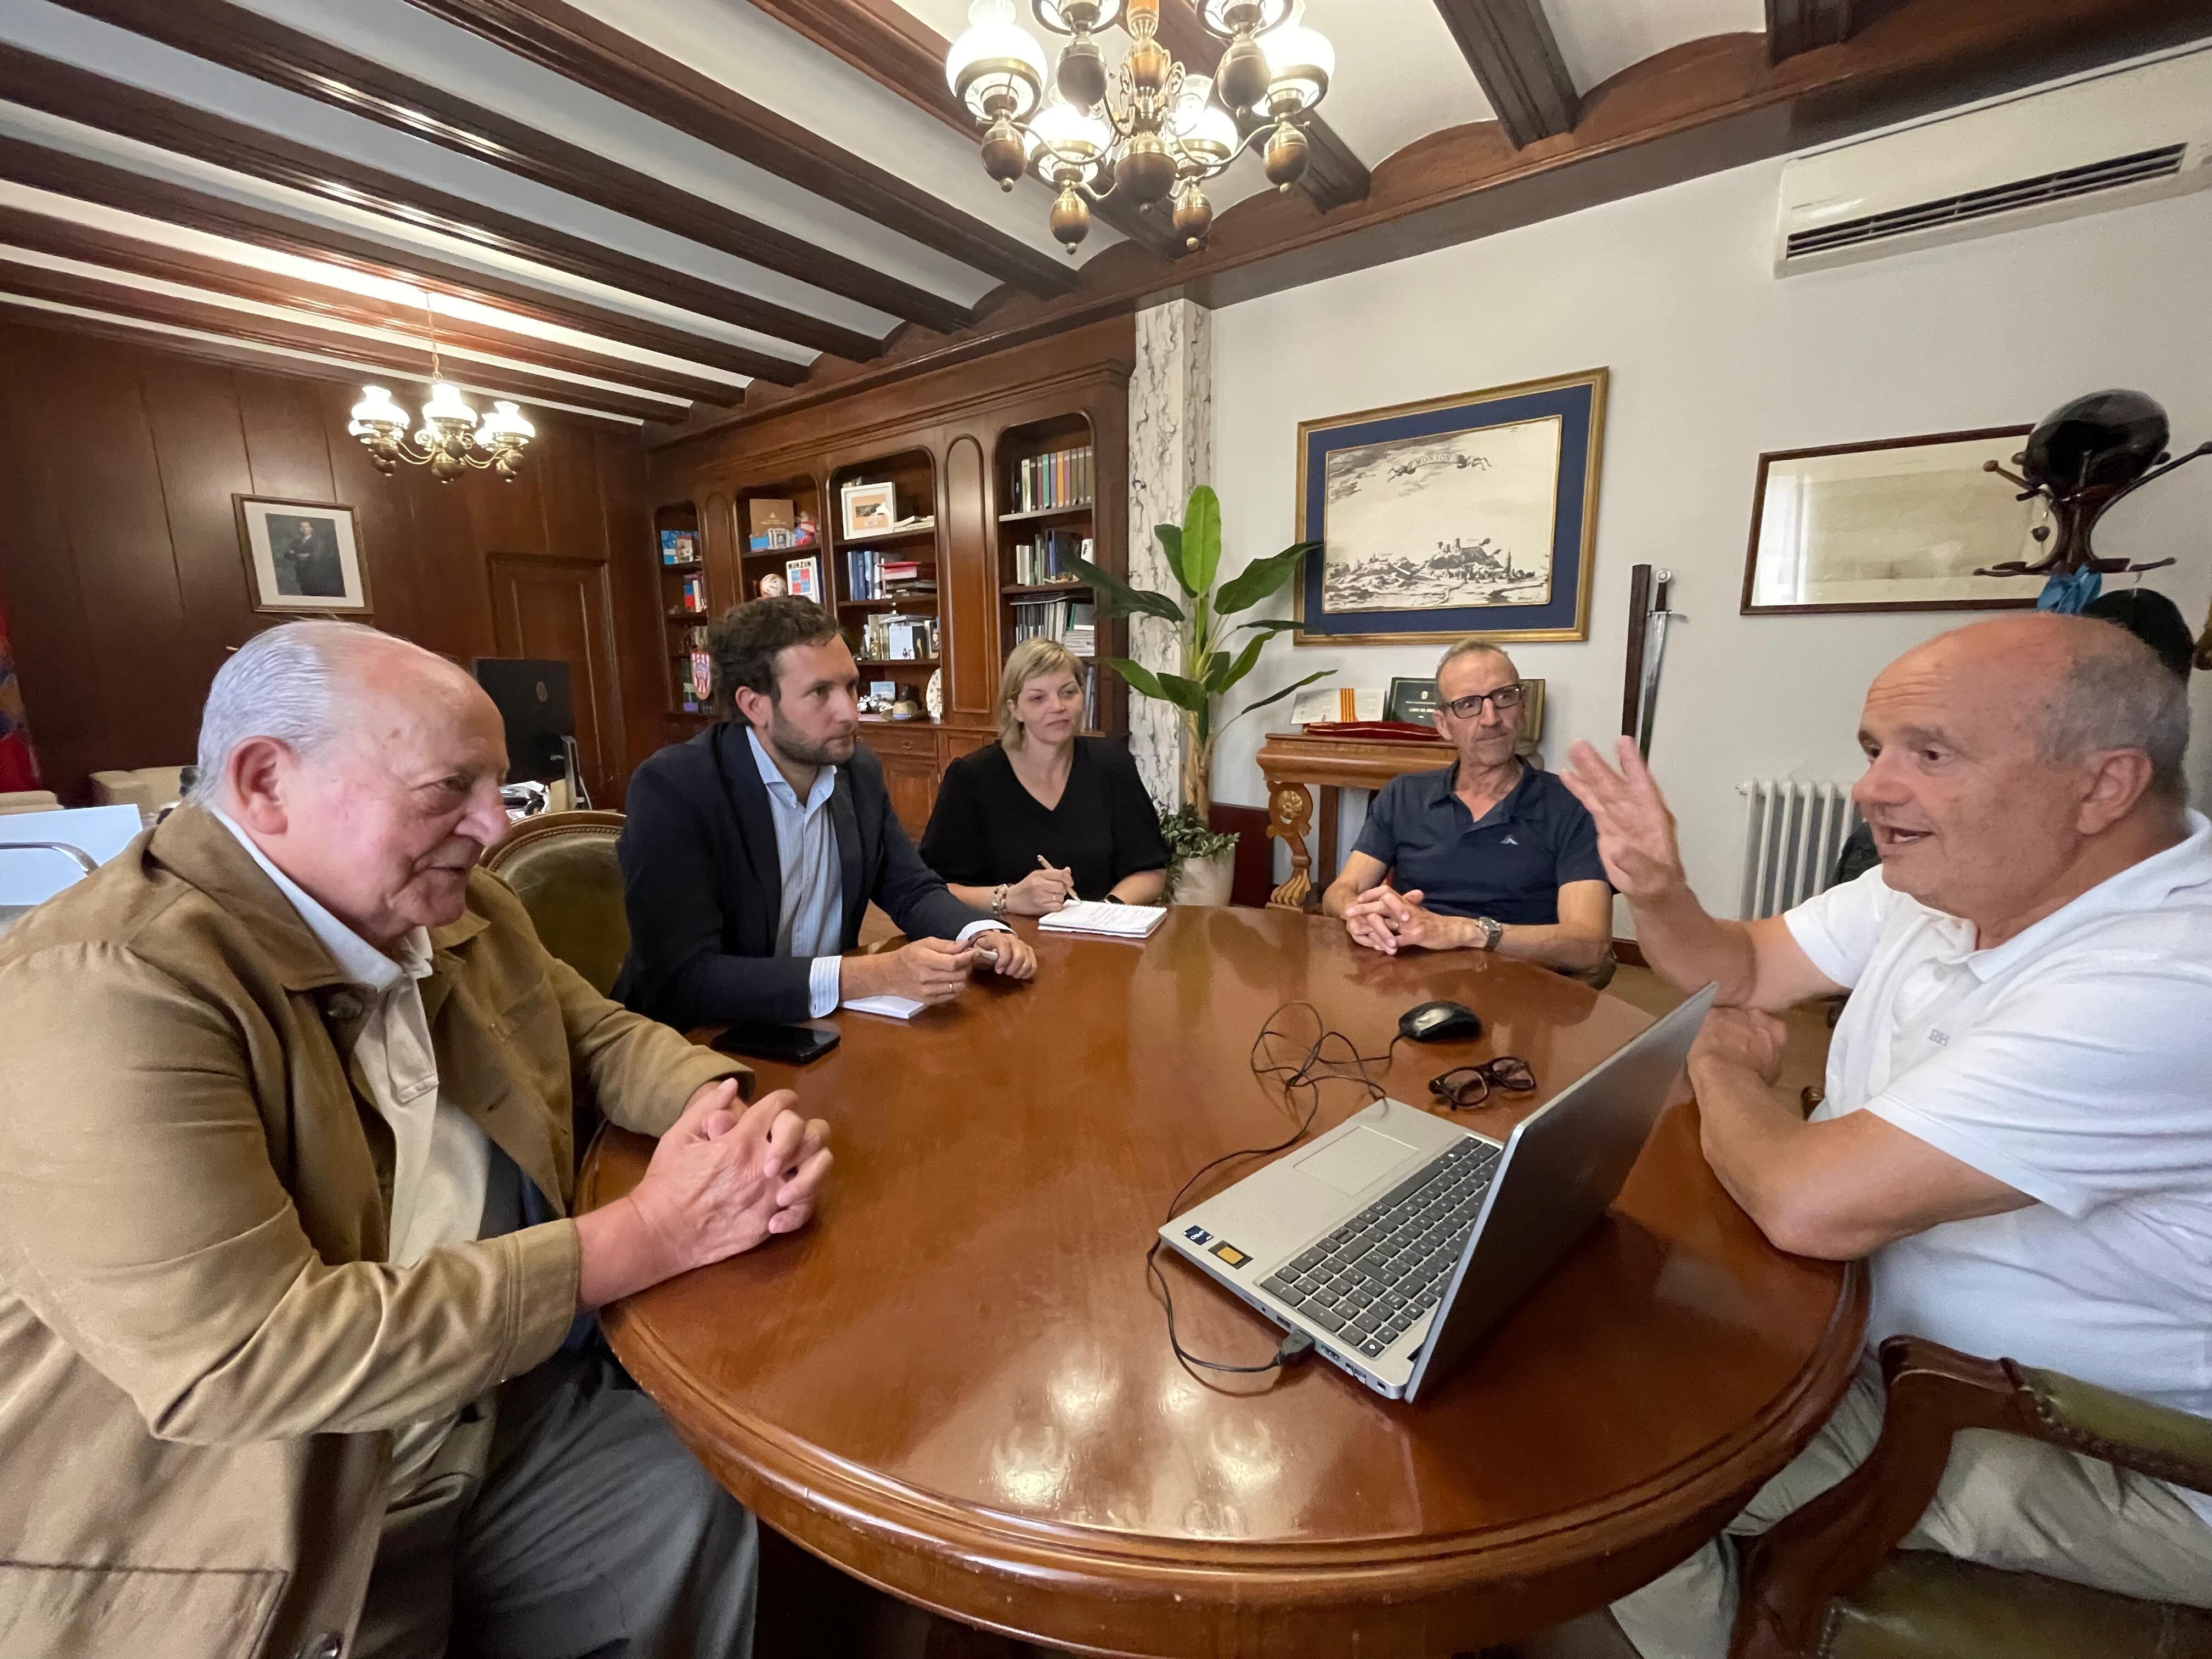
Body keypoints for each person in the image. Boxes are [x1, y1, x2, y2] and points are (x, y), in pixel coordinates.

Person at [0, 620, 832, 1659]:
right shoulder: (107, 989)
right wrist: (653, 1233)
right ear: (267, 783)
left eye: (498, 783)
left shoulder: (451, 907)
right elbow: (244, 1360)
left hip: (481, 1411)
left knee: (701, 1488)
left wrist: (719, 1109)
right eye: (450, 788)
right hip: (233, 1518)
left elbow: (594, 1033)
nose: (497, 823)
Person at [1557, 612, 2212, 1659]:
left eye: (1930, 753)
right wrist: (1658, 889)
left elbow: (1805, 1200)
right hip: (1858, 1324)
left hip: (2094, 1434)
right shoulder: (1955, 877)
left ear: (2102, 785)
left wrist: (1721, 1068)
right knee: (1559, 1332)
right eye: (1873, 749)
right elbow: (1743, 967)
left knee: (1601, 1471)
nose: (1870, 787)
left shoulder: (2168, 977)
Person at [615, 596, 1037, 1028]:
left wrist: (980, 933)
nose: (850, 712)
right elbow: (683, 978)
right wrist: (873, 974)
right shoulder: (676, 788)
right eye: (820, 693)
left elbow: (912, 889)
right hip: (696, 1041)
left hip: (819, 1031)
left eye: (851, 686)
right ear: (755, 705)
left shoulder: (858, 772)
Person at [1322, 638, 1611, 973]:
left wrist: (1466, 932)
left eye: (1504, 697)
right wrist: (1358, 914)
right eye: (1469, 704)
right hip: (1411, 980)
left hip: (1520, 984)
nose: (1490, 718)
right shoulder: (1403, 795)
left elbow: (1590, 946)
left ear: (1523, 708)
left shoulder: (1572, 804)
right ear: (1443, 724)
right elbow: (1341, 891)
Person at [918, 637, 1170, 913]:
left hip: (1099, 932)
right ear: (1015, 708)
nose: (1058, 706)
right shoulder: (972, 777)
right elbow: (932, 887)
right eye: (1038, 698)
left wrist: (1104, 912)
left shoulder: (1113, 766)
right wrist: (1009, 898)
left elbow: (1151, 870)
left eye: (1068, 693)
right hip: (1004, 934)